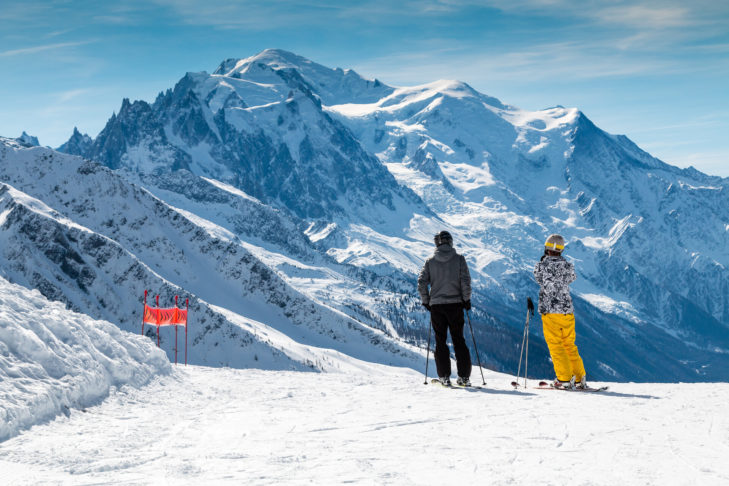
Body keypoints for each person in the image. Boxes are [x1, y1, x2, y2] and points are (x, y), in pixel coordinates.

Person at [418, 230, 472, 386]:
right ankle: (464, 377)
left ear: (437, 243)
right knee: (458, 340)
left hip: (437, 306)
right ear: (450, 242)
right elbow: (465, 282)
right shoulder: (460, 259)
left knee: (440, 341)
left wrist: (426, 301)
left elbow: (421, 282)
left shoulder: (430, 262)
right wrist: (466, 300)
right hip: (455, 305)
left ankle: (444, 376)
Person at [533, 234, 587, 389]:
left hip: (550, 311)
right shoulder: (568, 266)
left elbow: (538, 278)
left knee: (556, 345)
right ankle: (579, 378)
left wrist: (545, 261)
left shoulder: (541, 266)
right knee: (569, 344)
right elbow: (571, 278)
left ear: (547, 248)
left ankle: (563, 379)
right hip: (567, 311)